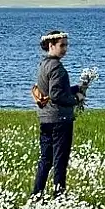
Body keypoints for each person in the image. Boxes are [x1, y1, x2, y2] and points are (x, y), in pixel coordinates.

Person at [32, 30, 86, 196]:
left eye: (66, 45)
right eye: (62, 45)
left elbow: (51, 91)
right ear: (51, 45)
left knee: (45, 159)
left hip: (45, 117)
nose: (65, 49)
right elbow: (56, 95)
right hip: (60, 118)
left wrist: (75, 88)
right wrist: (76, 99)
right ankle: (59, 195)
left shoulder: (43, 64)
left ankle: (37, 194)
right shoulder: (57, 67)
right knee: (60, 160)